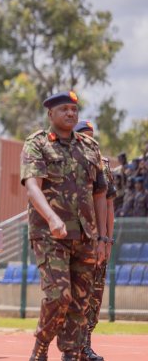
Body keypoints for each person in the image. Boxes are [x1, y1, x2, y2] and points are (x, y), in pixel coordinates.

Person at [20, 91, 107, 361]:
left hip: (86, 236)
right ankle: (42, 344)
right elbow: (33, 187)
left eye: (73, 109)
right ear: (51, 114)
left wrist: (102, 238)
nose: (70, 113)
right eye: (64, 109)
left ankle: (70, 353)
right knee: (59, 297)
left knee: (81, 303)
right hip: (50, 235)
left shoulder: (90, 147)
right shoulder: (37, 144)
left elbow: (100, 194)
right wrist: (52, 218)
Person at [73, 121, 115, 361]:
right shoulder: (66, 163)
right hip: (75, 239)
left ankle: (85, 345)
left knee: (95, 296)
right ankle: (74, 346)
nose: (89, 140)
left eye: (91, 136)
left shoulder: (104, 165)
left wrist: (107, 239)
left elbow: (109, 205)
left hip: (98, 242)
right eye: (84, 136)